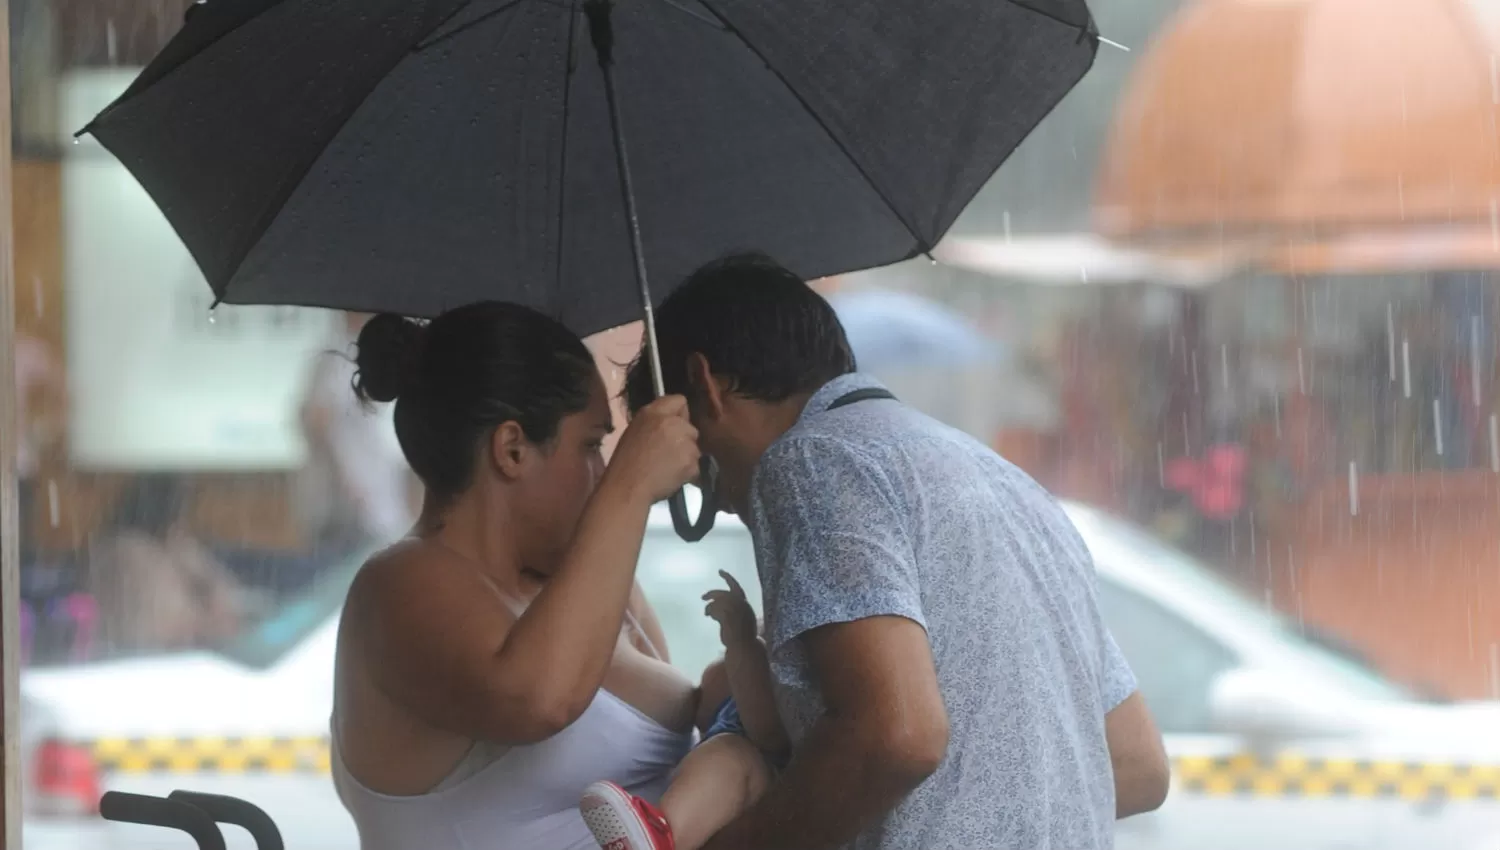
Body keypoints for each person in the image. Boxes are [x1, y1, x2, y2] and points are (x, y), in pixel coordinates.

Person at [598, 254, 1169, 850]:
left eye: (698, 477)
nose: (722, 504)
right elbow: (1135, 765)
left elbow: (896, 735)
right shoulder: (1009, 482)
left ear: (706, 386)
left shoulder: (810, 462)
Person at [330, 302, 703, 850]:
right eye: (592, 445)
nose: (602, 473)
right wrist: (632, 485)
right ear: (511, 450)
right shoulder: (399, 584)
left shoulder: (594, 583)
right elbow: (538, 699)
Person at [581, 571, 787, 850]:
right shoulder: (720, 682)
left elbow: (768, 734)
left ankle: (661, 837)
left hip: (757, 783)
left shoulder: (751, 729)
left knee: (730, 755)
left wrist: (744, 645)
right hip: (714, 794)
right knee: (719, 755)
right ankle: (657, 834)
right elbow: (702, 724)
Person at [86, 473, 263, 653]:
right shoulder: (132, 553)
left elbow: (227, 608)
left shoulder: (165, 549)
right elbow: (180, 627)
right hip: (152, 662)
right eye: (186, 507)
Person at [296, 311, 417, 554]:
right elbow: (316, 420)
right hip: (353, 503)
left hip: (366, 497)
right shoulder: (342, 357)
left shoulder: (358, 357)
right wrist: (347, 480)